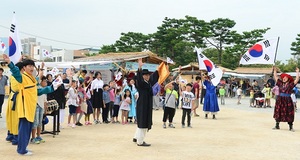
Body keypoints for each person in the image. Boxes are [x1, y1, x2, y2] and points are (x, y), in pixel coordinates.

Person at [3, 54, 53, 155]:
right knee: (24, 130)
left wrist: (51, 88)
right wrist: (9, 62)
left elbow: (37, 91)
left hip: (30, 108)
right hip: (25, 108)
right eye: (29, 66)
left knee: (28, 129)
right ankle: (21, 150)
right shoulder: (22, 77)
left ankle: (24, 148)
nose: (31, 68)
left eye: (32, 66)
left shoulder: (31, 78)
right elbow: (16, 72)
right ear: (24, 68)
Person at [133, 58, 159, 147]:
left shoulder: (147, 83)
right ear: (142, 76)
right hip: (143, 105)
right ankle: (140, 141)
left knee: (142, 121)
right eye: (145, 75)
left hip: (145, 104)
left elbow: (155, 77)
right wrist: (139, 67)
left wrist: (160, 69)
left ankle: (136, 137)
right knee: (143, 122)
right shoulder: (140, 83)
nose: (147, 76)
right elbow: (139, 78)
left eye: (148, 75)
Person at [272, 66, 299, 131]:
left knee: (289, 112)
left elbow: (297, 79)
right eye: (283, 77)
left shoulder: (291, 84)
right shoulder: (280, 83)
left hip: (287, 100)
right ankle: (277, 125)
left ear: (288, 79)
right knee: (278, 111)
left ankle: (290, 127)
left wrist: (297, 72)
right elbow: (275, 77)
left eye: (285, 77)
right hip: (280, 99)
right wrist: (275, 71)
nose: (284, 78)